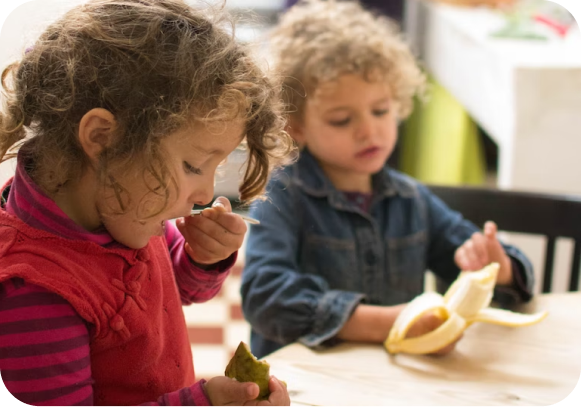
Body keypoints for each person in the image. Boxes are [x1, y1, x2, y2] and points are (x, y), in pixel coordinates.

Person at [0, 1, 293, 406]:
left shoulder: (118, 208)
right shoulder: (35, 294)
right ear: (103, 137)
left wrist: (202, 258)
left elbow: (176, 288)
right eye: (193, 165)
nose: (206, 194)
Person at [241, 0, 535, 359]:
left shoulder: (411, 199)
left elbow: (507, 281)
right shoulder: (284, 196)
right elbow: (266, 298)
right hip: (305, 385)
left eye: (380, 110)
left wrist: (499, 268)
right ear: (295, 125)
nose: (369, 130)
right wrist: (390, 322)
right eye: (341, 120)